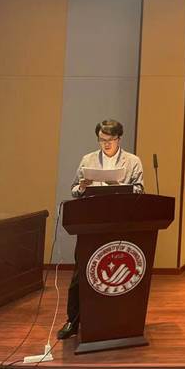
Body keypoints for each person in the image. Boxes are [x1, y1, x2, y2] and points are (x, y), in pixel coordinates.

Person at [56, 119, 144, 340]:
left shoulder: (132, 161)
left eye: (110, 139)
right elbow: (74, 189)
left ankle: (116, 321)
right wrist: (82, 186)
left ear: (119, 139)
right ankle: (73, 321)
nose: (106, 144)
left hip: (120, 223)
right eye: (102, 139)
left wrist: (118, 186)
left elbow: (140, 190)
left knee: (118, 274)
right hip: (91, 223)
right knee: (81, 273)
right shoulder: (88, 160)